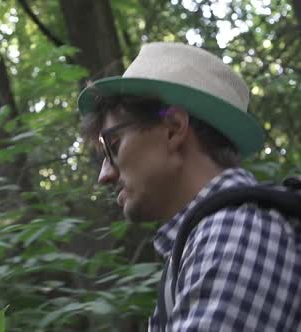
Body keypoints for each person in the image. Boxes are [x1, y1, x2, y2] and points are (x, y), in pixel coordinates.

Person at [77, 42, 301, 331]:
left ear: (173, 128)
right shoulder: (205, 239)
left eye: (113, 146)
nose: (105, 175)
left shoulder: (231, 231)